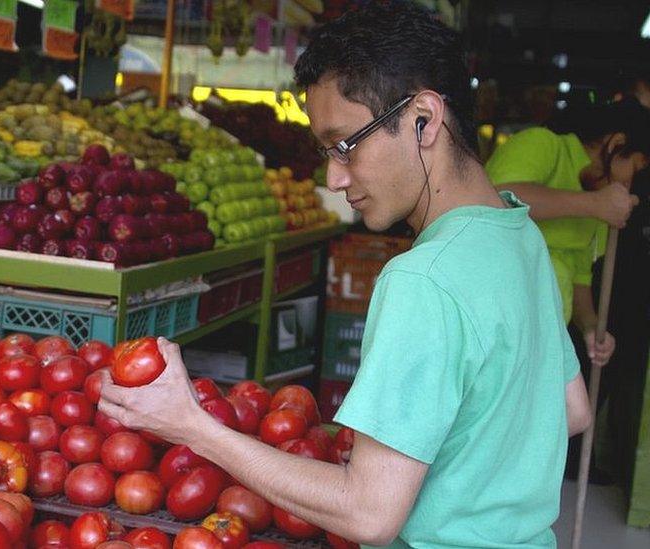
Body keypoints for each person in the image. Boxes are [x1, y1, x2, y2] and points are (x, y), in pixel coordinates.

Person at [98, 3, 591, 547]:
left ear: (423, 120)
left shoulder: (422, 279)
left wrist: (190, 425)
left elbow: (368, 515)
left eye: (344, 146)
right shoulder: (522, 237)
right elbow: (570, 409)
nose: (334, 177)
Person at [486, 99, 650, 368]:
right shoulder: (545, 144)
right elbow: (500, 198)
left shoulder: (598, 202)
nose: (631, 184)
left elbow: (579, 278)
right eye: (636, 167)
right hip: (494, 328)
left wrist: (591, 327)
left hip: (542, 345)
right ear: (617, 142)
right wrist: (595, 204)